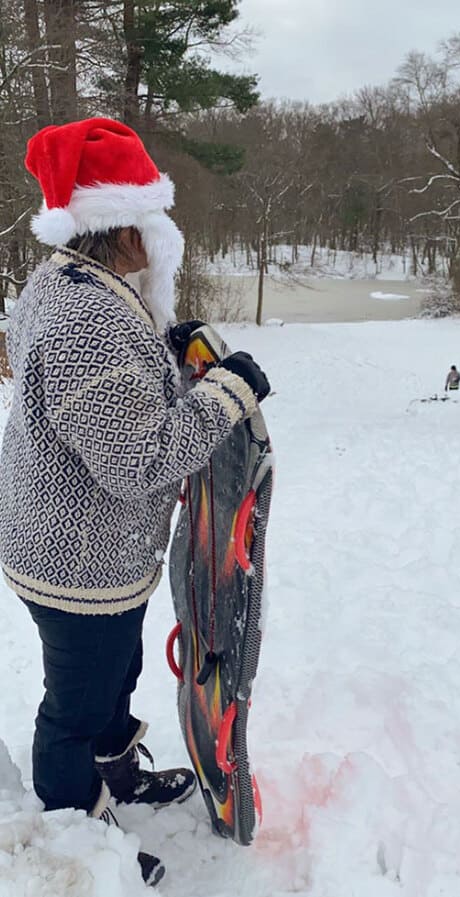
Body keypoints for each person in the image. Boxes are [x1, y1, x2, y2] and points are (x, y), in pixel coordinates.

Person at [0, 118, 270, 887]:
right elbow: (138, 460)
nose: (166, 236)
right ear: (124, 228)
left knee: (112, 675)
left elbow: (88, 394)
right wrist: (228, 391)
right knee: (74, 706)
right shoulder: (88, 316)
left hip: (82, 546)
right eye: (157, 221)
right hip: (75, 559)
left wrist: (163, 351)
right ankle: (71, 834)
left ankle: (114, 772)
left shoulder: (73, 283)